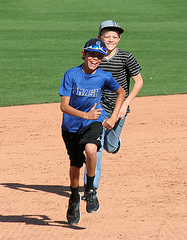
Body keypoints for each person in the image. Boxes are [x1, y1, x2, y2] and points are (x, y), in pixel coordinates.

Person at [59, 38, 125, 225]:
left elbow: (121, 92)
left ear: (102, 58)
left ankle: (90, 190)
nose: (94, 58)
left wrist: (112, 117)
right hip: (71, 126)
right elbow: (64, 106)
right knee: (75, 164)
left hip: (94, 121)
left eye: (98, 56)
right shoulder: (71, 75)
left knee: (91, 149)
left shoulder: (104, 76)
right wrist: (84, 115)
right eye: (91, 54)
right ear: (83, 54)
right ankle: (73, 199)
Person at [84, 20, 144, 191]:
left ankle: (115, 144)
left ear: (118, 39)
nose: (110, 39)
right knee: (96, 147)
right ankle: (91, 188)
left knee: (110, 146)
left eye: (114, 37)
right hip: (98, 108)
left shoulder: (126, 57)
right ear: (99, 37)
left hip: (119, 107)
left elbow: (138, 82)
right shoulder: (95, 58)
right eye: (106, 36)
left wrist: (125, 105)